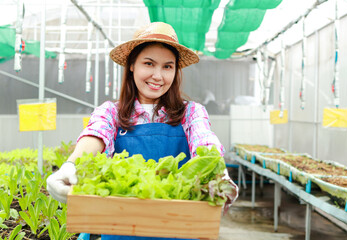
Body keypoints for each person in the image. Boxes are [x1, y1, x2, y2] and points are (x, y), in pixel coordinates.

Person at [47, 22, 238, 240]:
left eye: (168, 66)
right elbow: (95, 134)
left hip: (178, 230)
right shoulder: (111, 112)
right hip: (120, 230)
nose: (158, 76)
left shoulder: (191, 112)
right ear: (132, 65)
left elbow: (205, 141)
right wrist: (71, 165)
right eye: (149, 63)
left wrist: (217, 171)